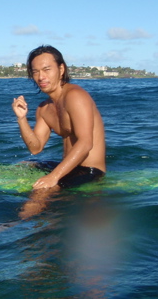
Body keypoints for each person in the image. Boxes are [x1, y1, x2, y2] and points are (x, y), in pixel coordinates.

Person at [12, 45, 106, 196]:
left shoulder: (75, 96)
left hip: (89, 171)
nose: (41, 77)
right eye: (35, 72)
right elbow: (35, 148)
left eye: (47, 69)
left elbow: (86, 143)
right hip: (68, 167)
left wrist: (53, 177)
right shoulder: (44, 108)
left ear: (61, 69)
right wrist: (21, 118)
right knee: (22, 166)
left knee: (40, 193)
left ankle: (24, 213)